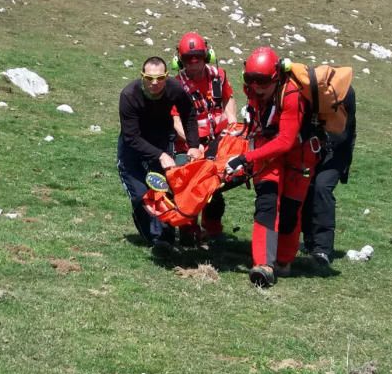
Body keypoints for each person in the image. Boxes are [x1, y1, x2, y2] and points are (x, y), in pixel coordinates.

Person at [224, 47, 319, 287]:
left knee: (289, 210)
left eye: (263, 81)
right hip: (268, 152)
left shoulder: (292, 94)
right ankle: (264, 264)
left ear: (276, 77)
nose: (256, 87)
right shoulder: (254, 90)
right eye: (251, 80)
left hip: (299, 154)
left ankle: (284, 261)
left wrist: (247, 158)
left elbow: (286, 141)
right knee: (266, 202)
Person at [117, 56, 200, 255]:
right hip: (133, 148)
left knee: (164, 190)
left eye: (160, 78)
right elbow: (131, 137)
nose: (155, 83)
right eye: (149, 78)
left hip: (161, 140)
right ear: (142, 76)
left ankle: (166, 238)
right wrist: (160, 155)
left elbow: (189, 114)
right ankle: (155, 239)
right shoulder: (129, 95)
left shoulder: (175, 89)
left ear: (166, 76)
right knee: (140, 196)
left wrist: (194, 145)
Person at [170, 32, 239, 243]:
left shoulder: (219, 75)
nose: (193, 64)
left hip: (217, 141)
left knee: (215, 189)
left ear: (207, 55)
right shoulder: (175, 85)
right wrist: (193, 145)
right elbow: (175, 120)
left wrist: (233, 122)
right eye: (188, 59)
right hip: (190, 145)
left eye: (198, 57)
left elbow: (229, 99)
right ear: (179, 61)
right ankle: (188, 231)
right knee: (191, 189)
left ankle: (213, 229)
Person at [302, 87, 357, 267]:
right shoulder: (310, 92)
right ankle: (309, 240)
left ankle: (322, 249)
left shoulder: (346, 93)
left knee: (322, 187)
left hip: (336, 152)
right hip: (314, 148)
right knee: (306, 186)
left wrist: (323, 141)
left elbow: (344, 132)